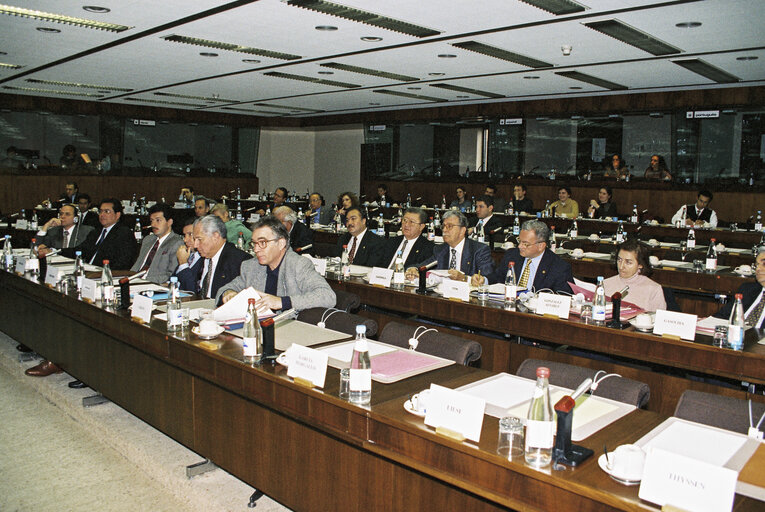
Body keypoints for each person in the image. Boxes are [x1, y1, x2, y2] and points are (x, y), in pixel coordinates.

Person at [218, 216, 335, 310]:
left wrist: (282, 302)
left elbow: (327, 296)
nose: (256, 249)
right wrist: (228, 293)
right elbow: (226, 288)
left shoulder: (298, 265)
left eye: (262, 242)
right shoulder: (251, 266)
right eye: (254, 243)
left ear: (281, 243)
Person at [474, 219, 572, 293]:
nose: (520, 246)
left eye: (525, 244)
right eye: (519, 241)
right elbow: (498, 277)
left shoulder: (559, 267)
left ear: (541, 246)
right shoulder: (512, 255)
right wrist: (484, 280)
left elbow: (563, 297)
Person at [176, 215, 251, 299]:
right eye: (195, 240)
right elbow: (191, 292)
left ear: (215, 236)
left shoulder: (239, 261)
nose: (196, 245)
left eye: (199, 239)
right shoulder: (202, 258)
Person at [408, 210, 494, 282]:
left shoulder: (479, 250)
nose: (444, 230)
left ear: (462, 230)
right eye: (443, 226)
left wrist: (465, 278)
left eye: (449, 226)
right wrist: (414, 269)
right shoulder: (440, 249)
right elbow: (424, 265)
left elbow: (489, 278)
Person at [60, 198, 137, 269]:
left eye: (107, 211)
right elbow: (81, 250)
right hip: (87, 269)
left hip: (104, 273)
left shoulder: (124, 233)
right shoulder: (96, 232)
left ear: (117, 215)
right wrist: (56, 251)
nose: (102, 215)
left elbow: (123, 263)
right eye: (100, 211)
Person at [603, 239, 666, 312]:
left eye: (628, 262)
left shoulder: (654, 289)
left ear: (640, 265)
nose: (621, 266)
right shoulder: (605, 284)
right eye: (619, 260)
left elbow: (658, 320)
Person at [130, 203, 184, 284]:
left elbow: (171, 275)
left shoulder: (176, 243)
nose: (153, 224)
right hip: (134, 280)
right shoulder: (148, 239)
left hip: (152, 284)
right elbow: (137, 265)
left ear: (169, 222)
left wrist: (144, 279)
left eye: (158, 220)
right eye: (152, 220)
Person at [713, 247, 765, 328]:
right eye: (757, 265)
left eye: (764, 264)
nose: (758, 269)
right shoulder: (747, 289)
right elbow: (722, 316)